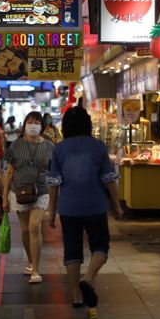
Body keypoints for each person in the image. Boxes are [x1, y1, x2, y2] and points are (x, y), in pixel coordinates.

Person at [46, 106, 123, 308]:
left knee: (72, 252)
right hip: (95, 206)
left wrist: (51, 211)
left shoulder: (59, 149)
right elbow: (110, 181)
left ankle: (76, 296)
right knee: (100, 247)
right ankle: (87, 279)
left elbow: (54, 182)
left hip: (68, 208)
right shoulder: (98, 147)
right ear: (87, 124)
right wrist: (116, 206)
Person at [1, 112, 55, 284]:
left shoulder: (49, 146)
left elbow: (54, 171)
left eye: (36, 122)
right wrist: (4, 197)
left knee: (34, 227)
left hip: (41, 191)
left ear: (42, 125)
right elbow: (9, 172)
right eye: (30, 122)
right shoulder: (16, 145)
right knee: (25, 230)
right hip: (19, 192)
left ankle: (36, 271)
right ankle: (31, 262)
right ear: (24, 125)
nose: (33, 125)